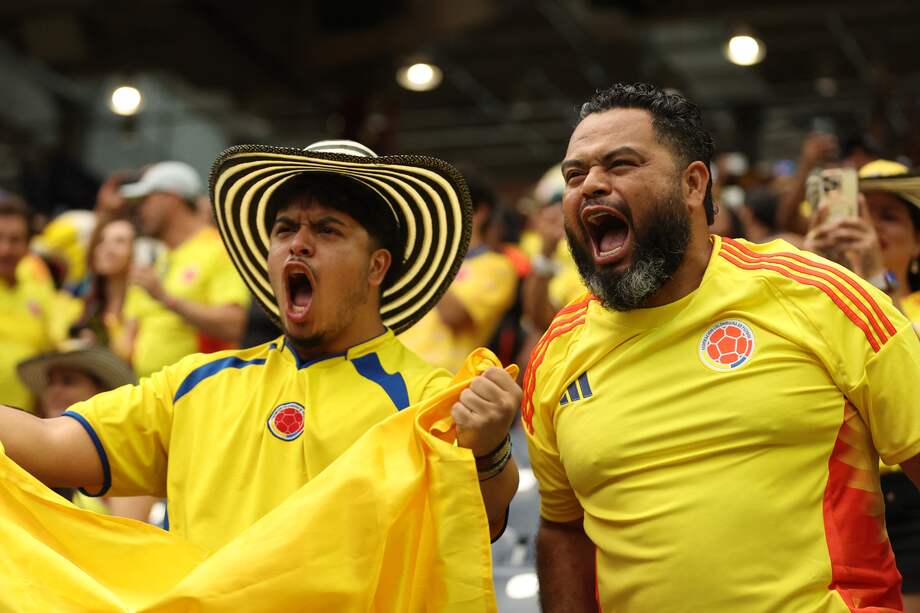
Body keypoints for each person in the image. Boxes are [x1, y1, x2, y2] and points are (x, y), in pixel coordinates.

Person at [0, 140, 521, 554]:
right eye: (284, 227)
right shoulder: (196, 384)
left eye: (328, 229)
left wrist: (492, 448)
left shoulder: (424, 396)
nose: (298, 242)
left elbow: (486, 519)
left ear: (377, 267)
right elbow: (50, 445)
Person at [523, 83, 920, 612]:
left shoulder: (820, 297)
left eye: (620, 164)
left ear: (693, 184)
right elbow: (563, 530)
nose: (591, 185)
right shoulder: (556, 353)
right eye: (575, 175)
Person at [804, 158, 920, 611]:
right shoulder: (807, 297)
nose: (868, 227)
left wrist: (874, 280)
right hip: (829, 495)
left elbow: (906, 370)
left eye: (887, 216)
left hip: (908, 495)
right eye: (860, 211)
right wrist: (811, 269)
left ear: (917, 242)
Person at [118, 161, 251, 376]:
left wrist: (165, 298)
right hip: (152, 397)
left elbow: (232, 325)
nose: (139, 210)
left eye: (145, 200)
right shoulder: (160, 260)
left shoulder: (217, 249)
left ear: (171, 198)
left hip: (200, 393)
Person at [16, 339, 155, 521]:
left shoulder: (121, 455)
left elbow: (132, 534)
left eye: (68, 381)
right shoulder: (29, 449)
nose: (55, 391)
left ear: (100, 392)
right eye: (50, 383)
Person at [399, 173, 519, 373]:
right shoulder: (423, 260)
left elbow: (453, 315)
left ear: (480, 212)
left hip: (445, 383)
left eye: (446, 204)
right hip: (396, 376)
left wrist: (425, 256)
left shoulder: (497, 266)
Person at [0, 192, 61, 413]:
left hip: (22, 429)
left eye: (15, 240)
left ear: (27, 245)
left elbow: (49, 352)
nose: (5, 249)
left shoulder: (37, 287)